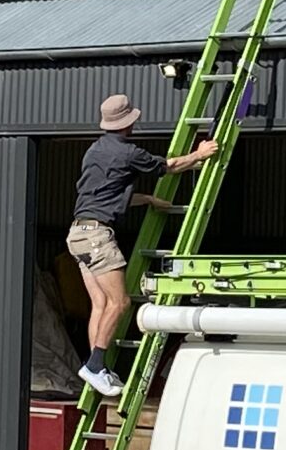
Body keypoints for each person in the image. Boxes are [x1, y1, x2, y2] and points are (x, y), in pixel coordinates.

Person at [66, 94, 216, 397]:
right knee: (120, 302)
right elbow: (169, 166)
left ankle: (97, 367)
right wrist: (199, 154)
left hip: (77, 235)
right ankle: (94, 366)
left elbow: (105, 197)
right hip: (98, 237)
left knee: (100, 304)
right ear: (129, 122)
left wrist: (147, 199)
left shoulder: (94, 150)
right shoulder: (128, 152)